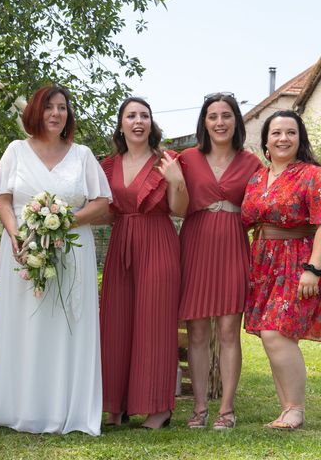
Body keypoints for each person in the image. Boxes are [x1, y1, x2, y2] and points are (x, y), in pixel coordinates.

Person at [0, 85, 110, 436]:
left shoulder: (83, 155)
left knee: (67, 324)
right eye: (49, 107)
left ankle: (67, 408)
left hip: (72, 249)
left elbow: (101, 202)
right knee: (27, 325)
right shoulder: (15, 151)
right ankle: (24, 408)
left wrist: (62, 222)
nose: (56, 114)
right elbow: (3, 198)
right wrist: (16, 236)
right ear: (36, 112)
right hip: (25, 251)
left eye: (62, 108)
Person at [99, 97, 188, 429]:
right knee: (115, 323)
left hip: (159, 242)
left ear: (152, 123)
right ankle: (115, 405)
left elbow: (180, 209)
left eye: (144, 116)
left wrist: (177, 181)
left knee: (155, 325)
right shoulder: (107, 166)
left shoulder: (168, 161)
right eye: (131, 115)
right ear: (121, 123)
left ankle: (158, 407)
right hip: (121, 242)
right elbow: (105, 212)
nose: (138, 121)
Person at [178, 93, 261, 430]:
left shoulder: (252, 162)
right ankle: (199, 409)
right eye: (213, 116)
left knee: (228, 331)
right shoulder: (185, 159)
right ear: (204, 122)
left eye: (226, 115)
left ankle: (226, 410)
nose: (220, 122)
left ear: (236, 121)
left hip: (232, 245)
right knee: (197, 331)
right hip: (195, 243)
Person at [242, 110, 321, 430]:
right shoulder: (258, 177)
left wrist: (314, 268)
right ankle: (286, 408)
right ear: (266, 141)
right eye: (276, 133)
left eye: (290, 132)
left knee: (278, 332)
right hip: (262, 262)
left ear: (299, 139)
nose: (283, 138)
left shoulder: (312, 175)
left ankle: (295, 409)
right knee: (269, 333)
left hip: (297, 260)